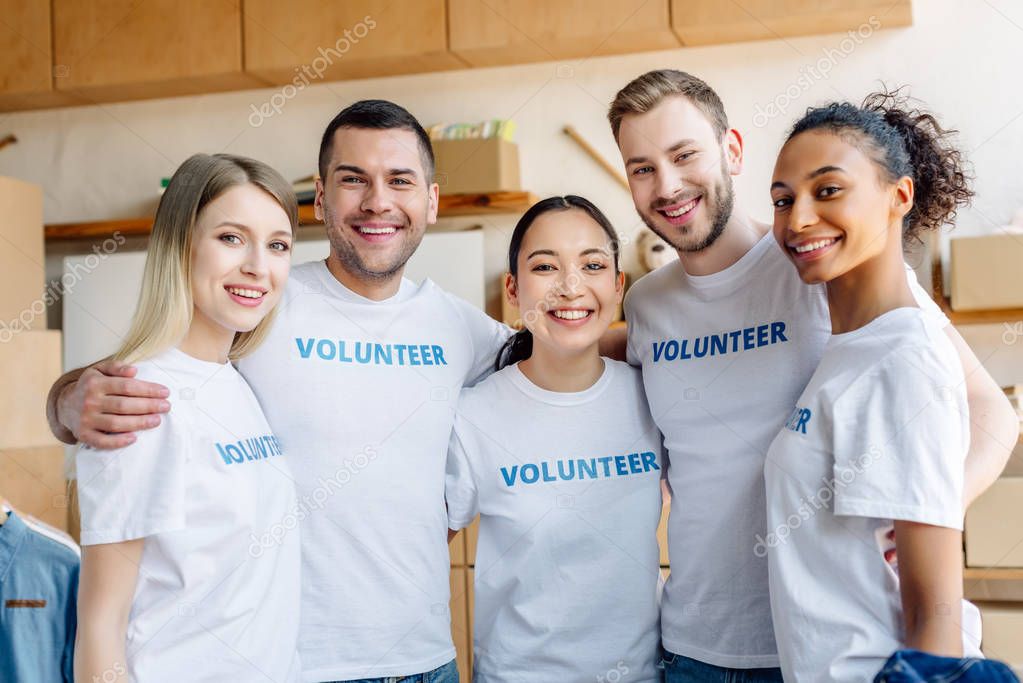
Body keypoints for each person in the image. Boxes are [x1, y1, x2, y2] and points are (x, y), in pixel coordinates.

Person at [48, 100, 516, 682]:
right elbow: (140, 374)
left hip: (428, 661)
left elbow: (570, 350)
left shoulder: (460, 327)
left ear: (432, 200)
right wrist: (70, 401)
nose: (378, 202)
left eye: (400, 181)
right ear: (319, 198)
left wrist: (653, 328)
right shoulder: (261, 303)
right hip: (302, 665)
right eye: (353, 180)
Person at [607, 70, 1018, 681]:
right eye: (642, 168)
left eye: (684, 154)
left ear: (732, 150)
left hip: (818, 646)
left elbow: (991, 411)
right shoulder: (645, 305)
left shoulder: (822, 262)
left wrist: (924, 513)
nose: (667, 185)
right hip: (693, 643)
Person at [764, 92, 1018, 683]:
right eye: (783, 199)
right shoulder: (853, 345)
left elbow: (935, 614)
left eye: (828, 190)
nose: (798, 218)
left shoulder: (902, 360)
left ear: (898, 196)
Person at [73, 153, 301, 682]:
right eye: (230, 238)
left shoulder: (235, 382)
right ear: (181, 244)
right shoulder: (140, 400)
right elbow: (100, 623)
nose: (258, 266)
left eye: (278, 245)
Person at [446, 196, 663, 682]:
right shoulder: (475, 415)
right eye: (545, 266)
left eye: (592, 265)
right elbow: (417, 556)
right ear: (513, 289)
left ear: (617, 285)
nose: (570, 286)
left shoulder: (653, 396)